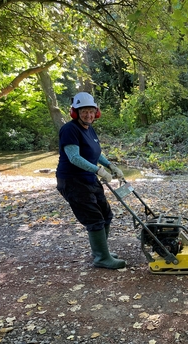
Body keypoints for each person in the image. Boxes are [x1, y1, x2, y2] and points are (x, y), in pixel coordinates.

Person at [56, 91, 126, 269]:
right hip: (72, 181)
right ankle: (101, 258)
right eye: (83, 111)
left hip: (88, 178)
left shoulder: (90, 129)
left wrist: (110, 166)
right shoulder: (70, 130)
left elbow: (96, 153)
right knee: (94, 218)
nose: (88, 115)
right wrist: (99, 171)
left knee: (105, 214)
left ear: (96, 113)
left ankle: (101, 252)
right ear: (75, 112)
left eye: (91, 111)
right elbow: (74, 158)